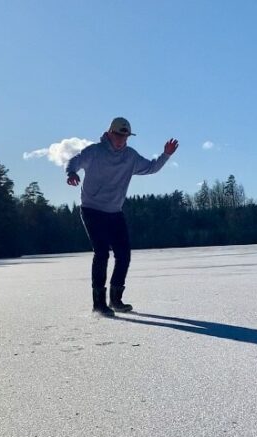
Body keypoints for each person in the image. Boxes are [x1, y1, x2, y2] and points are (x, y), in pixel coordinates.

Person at [66, 117, 179, 315]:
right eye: (118, 134)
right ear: (109, 133)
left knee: (124, 255)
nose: (121, 139)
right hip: (91, 209)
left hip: (114, 212)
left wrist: (165, 155)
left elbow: (151, 167)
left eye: (125, 136)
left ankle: (115, 299)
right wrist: (71, 173)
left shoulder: (131, 157)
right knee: (101, 253)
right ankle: (98, 303)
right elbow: (74, 162)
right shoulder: (94, 152)